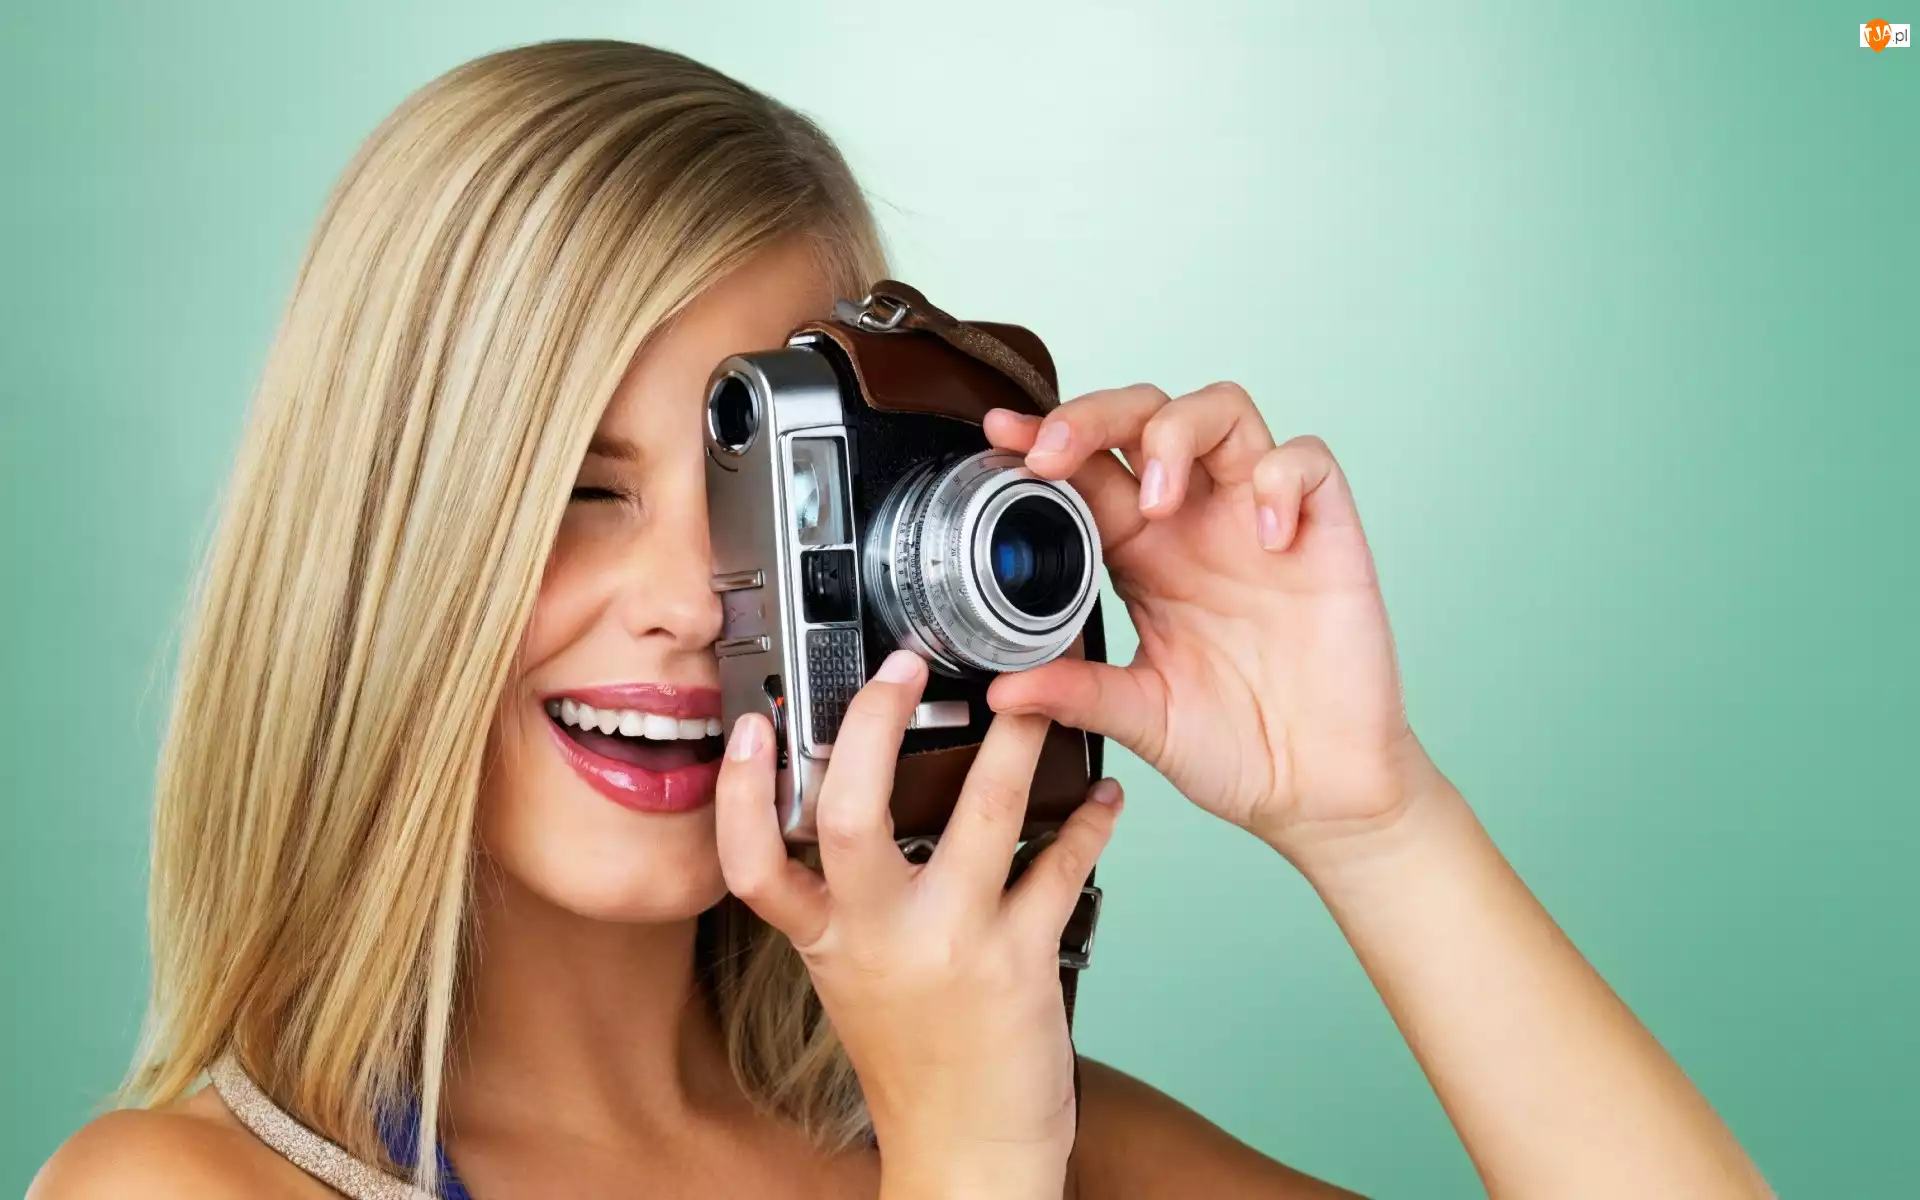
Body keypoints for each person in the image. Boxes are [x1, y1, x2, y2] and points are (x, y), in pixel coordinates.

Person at [30, 39, 1771, 1200]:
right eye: (575, 488)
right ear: (383, 541)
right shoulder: (182, 1189)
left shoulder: (1028, 1124)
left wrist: (1369, 809)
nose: (686, 607)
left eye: (766, 506)